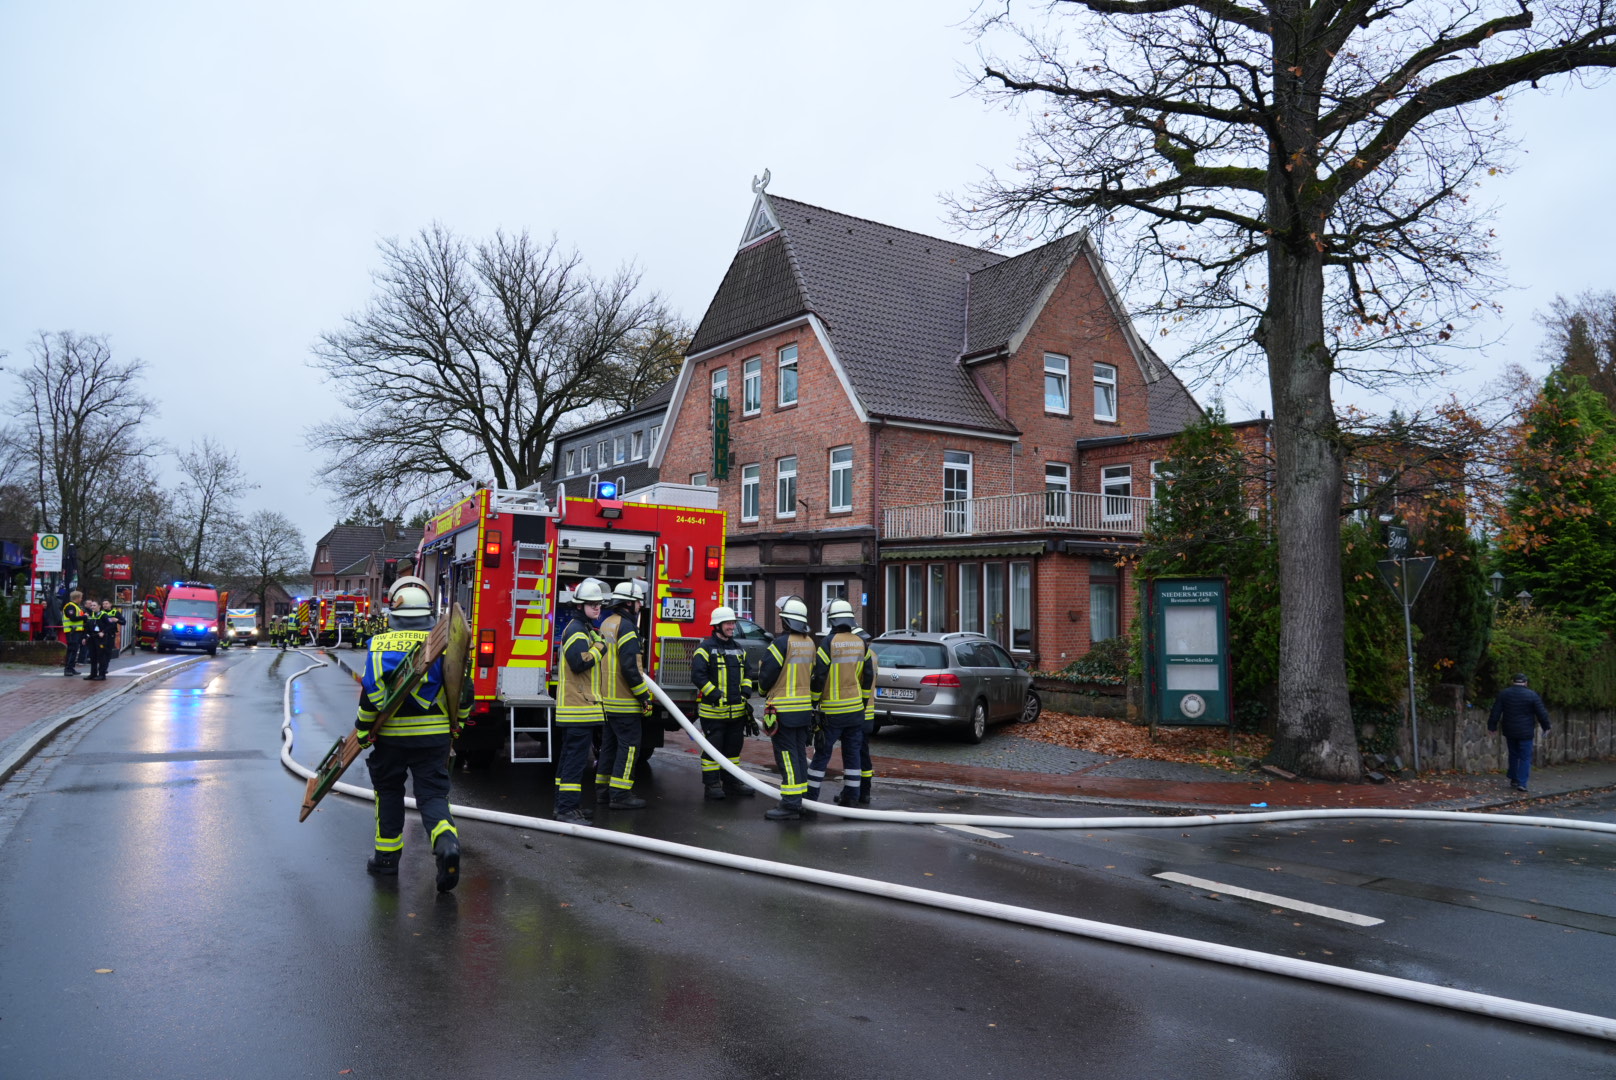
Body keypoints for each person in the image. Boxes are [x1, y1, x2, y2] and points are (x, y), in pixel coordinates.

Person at [357, 576, 460, 892]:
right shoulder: (442, 644)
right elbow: (461, 691)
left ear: (394, 612)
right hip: (433, 739)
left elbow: (369, 695)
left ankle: (386, 862)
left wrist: (363, 732)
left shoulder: (378, 645)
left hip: (390, 739)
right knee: (431, 795)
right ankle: (446, 843)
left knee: (388, 793)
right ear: (428, 613)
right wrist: (459, 724)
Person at [554, 578, 612, 824]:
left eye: (598, 604)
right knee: (575, 761)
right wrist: (600, 648)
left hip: (578, 707)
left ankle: (565, 805)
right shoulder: (577, 631)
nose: (596, 608)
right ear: (580, 606)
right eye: (591, 604)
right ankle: (567, 810)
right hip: (578, 708)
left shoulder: (584, 629)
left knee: (569, 758)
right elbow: (579, 663)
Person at [806, 599, 873, 807]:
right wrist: (861, 702)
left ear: (832, 619)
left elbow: (819, 675)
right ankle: (851, 797)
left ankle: (811, 798)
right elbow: (868, 675)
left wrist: (814, 701)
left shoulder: (829, 642)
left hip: (832, 712)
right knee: (852, 756)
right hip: (855, 712)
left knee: (822, 755)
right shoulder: (860, 642)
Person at [594, 580, 653, 810]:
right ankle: (620, 794)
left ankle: (603, 791)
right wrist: (643, 697)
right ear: (629, 603)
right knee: (629, 748)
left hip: (607, 701)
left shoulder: (608, 623)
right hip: (625, 702)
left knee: (609, 747)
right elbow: (630, 668)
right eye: (638, 602)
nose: (640, 606)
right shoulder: (628, 627)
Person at [757, 597, 818, 821]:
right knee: (799, 755)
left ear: (785, 622)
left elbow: (766, 676)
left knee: (786, 757)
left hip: (782, 710)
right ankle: (799, 798)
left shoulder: (780, 644)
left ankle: (791, 804)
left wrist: (762, 693)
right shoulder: (810, 643)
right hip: (803, 711)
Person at [690, 605, 756, 800]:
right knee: (713, 751)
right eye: (728, 623)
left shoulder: (738, 649)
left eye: (733, 623)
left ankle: (731, 782)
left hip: (737, 713)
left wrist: (745, 690)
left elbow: (747, 672)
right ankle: (711, 785)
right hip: (714, 714)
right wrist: (715, 694)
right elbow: (697, 676)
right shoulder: (705, 649)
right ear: (717, 626)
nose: (732, 626)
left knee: (733, 751)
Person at [1489, 672, 1551, 793]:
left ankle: (1514, 778)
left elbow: (1495, 711)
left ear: (1513, 681)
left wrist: (1492, 726)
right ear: (1526, 683)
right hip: (1526, 731)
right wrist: (1546, 726)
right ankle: (1522, 783)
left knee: (1513, 754)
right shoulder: (1532, 695)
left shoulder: (1504, 694)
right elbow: (1541, 713)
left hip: (1509, 729)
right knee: (1525, 757)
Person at [61, 590, 86, 676]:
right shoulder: (70, 606)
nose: (81, 599)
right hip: (72, 631)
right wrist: (84, 617)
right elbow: (73, 618)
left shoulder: (76, 606)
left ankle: (71, 668)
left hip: (75, 631)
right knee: (71, 650)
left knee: (74, 650)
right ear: (77, 598)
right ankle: (68, 669)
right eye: (81, 597)